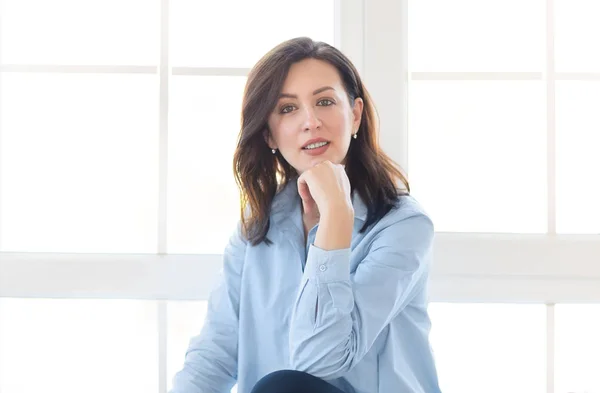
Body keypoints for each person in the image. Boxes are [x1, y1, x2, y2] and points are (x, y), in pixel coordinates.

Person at [169, 37, 442, 393]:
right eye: (287, 109)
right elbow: (214, 355)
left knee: (285, 386)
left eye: (325, 102)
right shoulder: (257, 227)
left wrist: (336, 221)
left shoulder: (402, 226)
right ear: (268, 133)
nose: (310, 122)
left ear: (355, 114)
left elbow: (320, 362)